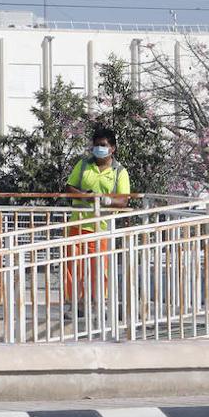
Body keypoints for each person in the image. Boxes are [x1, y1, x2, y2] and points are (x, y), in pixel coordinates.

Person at [62, 126, 130, 317]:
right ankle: (76, 304)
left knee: (99, 268)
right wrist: (85, 196)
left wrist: (104, 199)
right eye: (96, 145)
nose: (99, 148)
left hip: (101, 228)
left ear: (112, 148)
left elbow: (124, 200)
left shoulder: (119, 172)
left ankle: (99, 302)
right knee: (73, 268)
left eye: (103, 145)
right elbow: (70, 187)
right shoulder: (83, 165)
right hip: (78, 224)